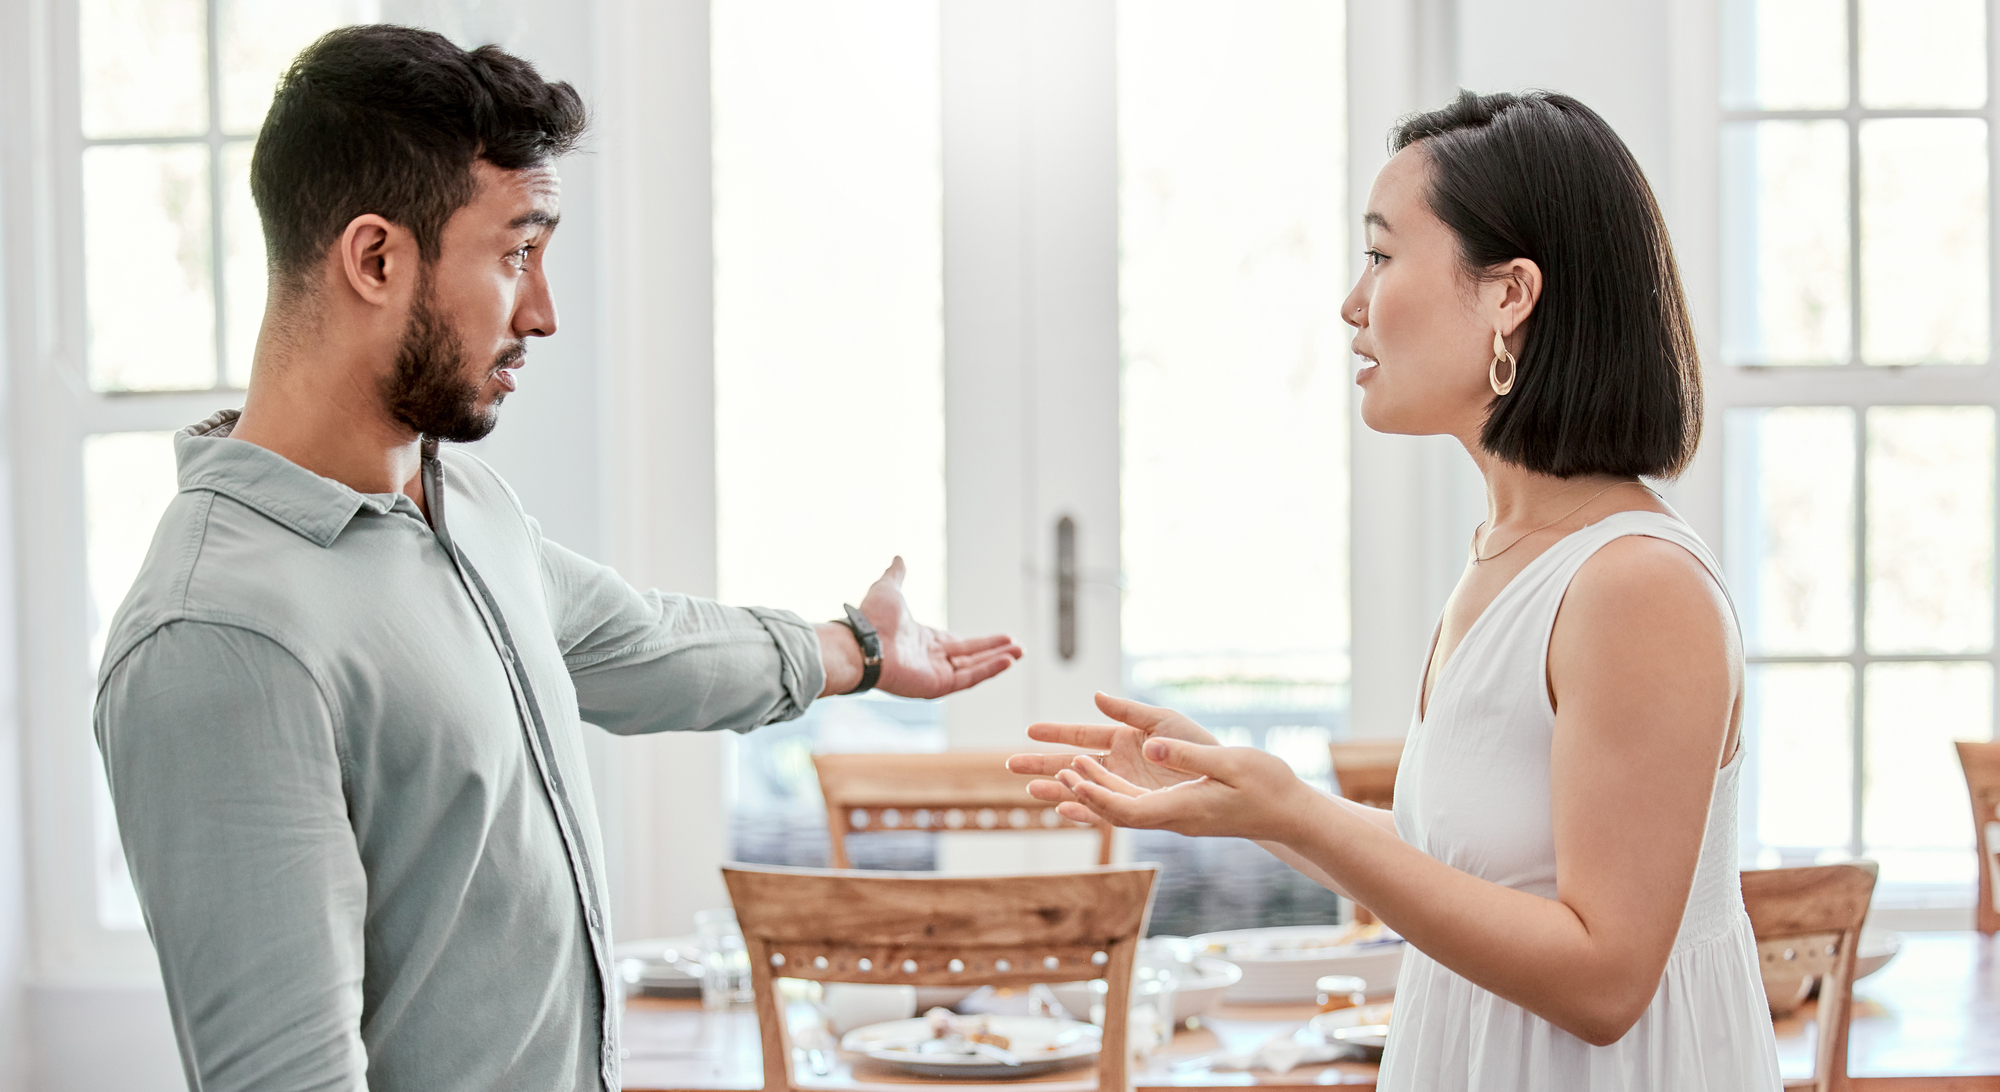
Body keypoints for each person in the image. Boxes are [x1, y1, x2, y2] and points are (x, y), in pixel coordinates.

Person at [93, 25, 1019, 1092]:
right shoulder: (219, 636)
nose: (543, 311)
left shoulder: (458, 506)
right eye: (516, 253)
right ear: (376, 258)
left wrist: (856, 647)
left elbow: (644, 644)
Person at [1011, 90, 1782, 1091]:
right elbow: (1466, 876)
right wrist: (1248, 800)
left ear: (1509, 295)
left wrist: (1294, 811)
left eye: (1379, 256)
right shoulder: (1507, 552)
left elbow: (1602, 979)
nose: (1349, 301)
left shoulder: (1636, 585)